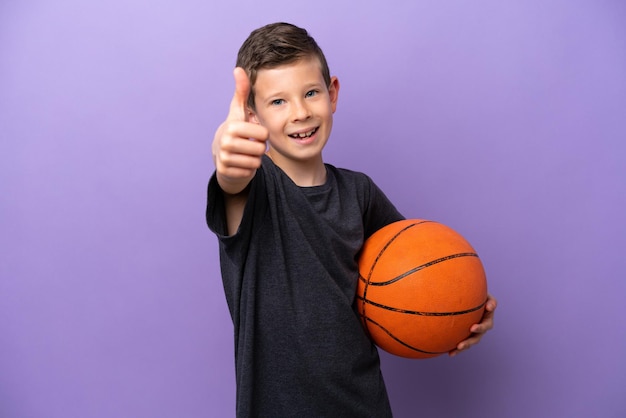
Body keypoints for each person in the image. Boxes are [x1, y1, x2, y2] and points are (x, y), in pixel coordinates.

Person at [206, 22, 497, 417]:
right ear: (252, 117)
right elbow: (232, 182)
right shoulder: (254, 187)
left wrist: (462, 309)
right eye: (278, 102)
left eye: (311, 93)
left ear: (333, 93)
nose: (301, 112)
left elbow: (422, 276)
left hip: (364, 404)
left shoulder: (360, 193)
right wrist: (229, 164)